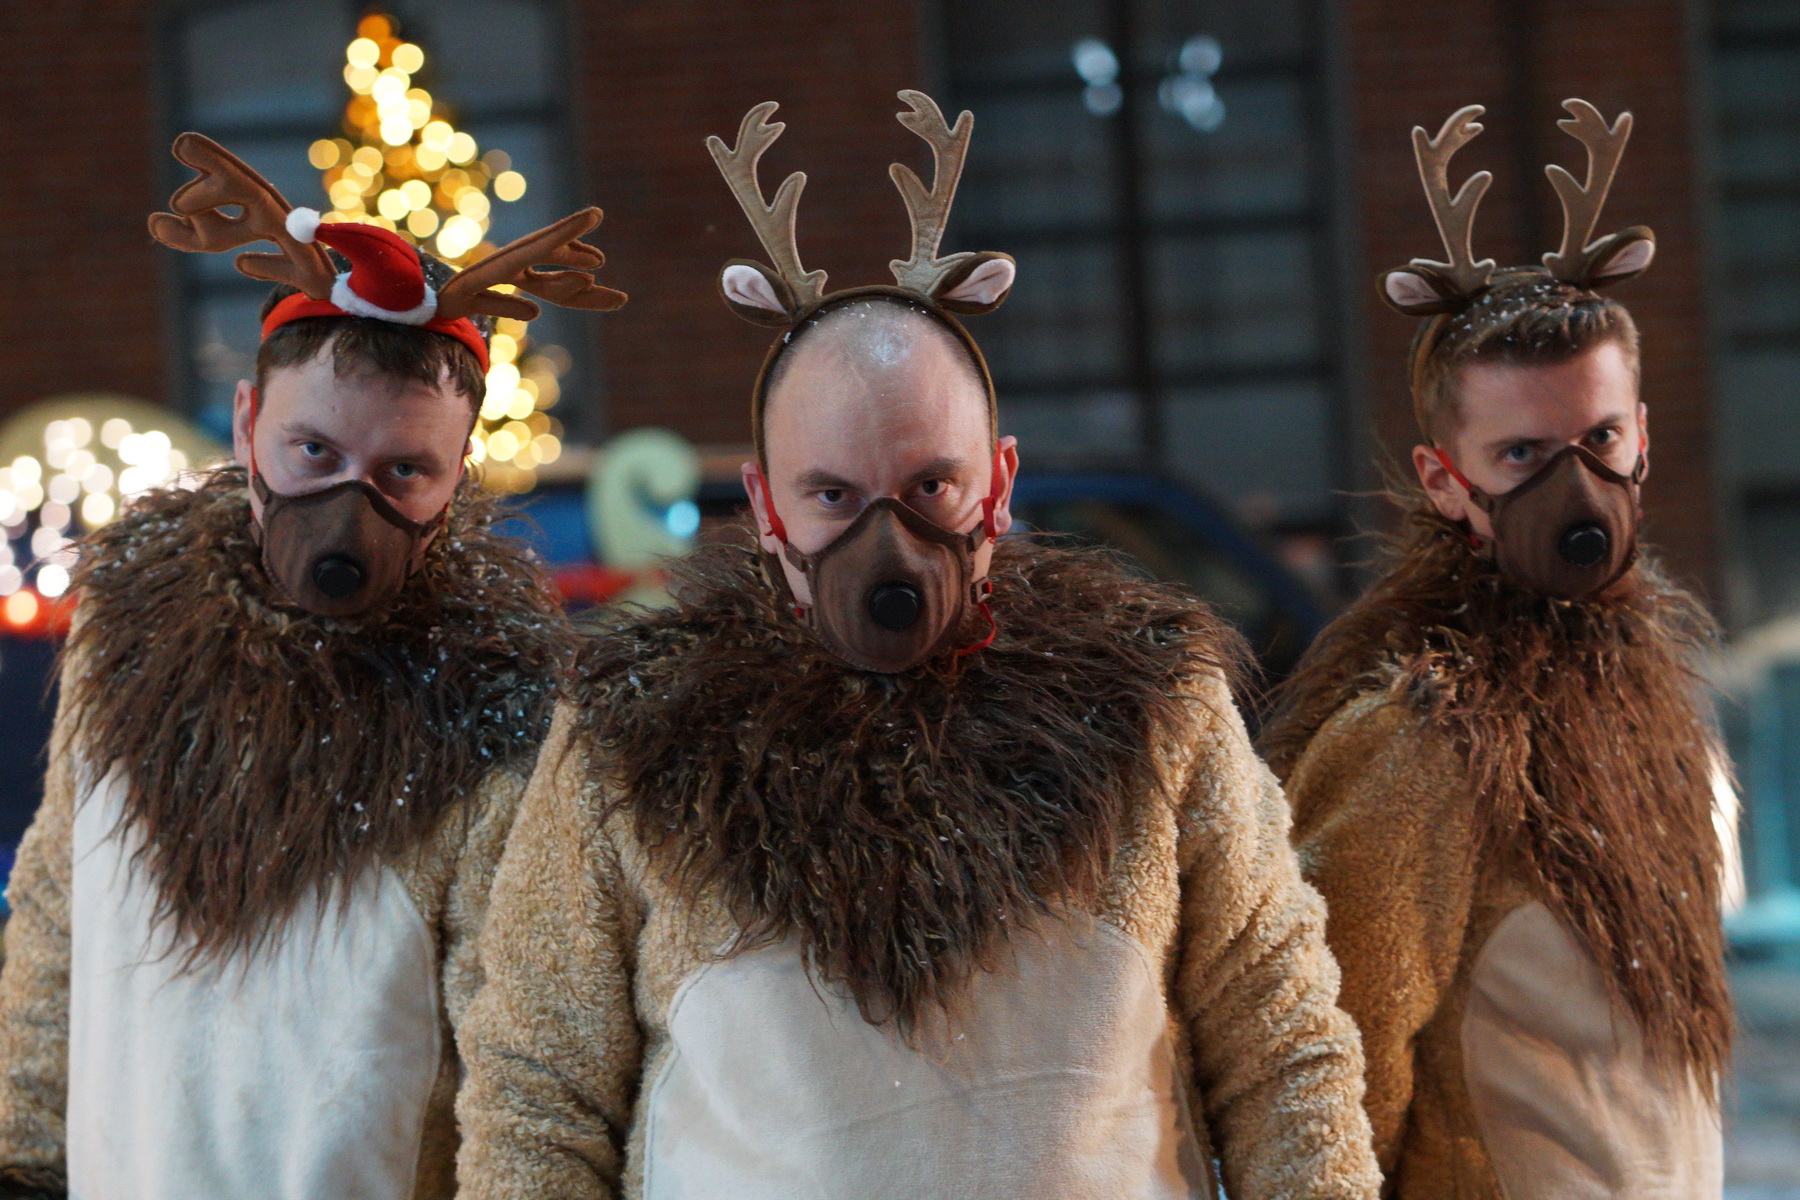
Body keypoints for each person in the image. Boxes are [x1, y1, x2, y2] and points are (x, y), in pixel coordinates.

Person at [454, 91, 1380, 1200]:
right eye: (833, 493)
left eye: (929, 484)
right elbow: (539, 1096)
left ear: (998, 484)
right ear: (766, 506)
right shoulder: (627, 745)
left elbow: (1284, 1050)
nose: (884, 539)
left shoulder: (1154, 713)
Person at [0, 133, 625, 1200]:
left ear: (456, 477)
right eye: (314, 454)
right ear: (250, 426)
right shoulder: (124, 639)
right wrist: (21, 1159)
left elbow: (515, 1052)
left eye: (403, 471)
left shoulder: (500, 717)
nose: (351, 505)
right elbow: (58, 916)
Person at [1263, 101, 1731, 1199]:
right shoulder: (1419, 735)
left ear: (1643, 439)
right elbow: (1335, 1071)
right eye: (1520, 452)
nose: (1574, 487)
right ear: (1445, 481)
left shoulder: (1648, 697)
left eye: (1599, 440)